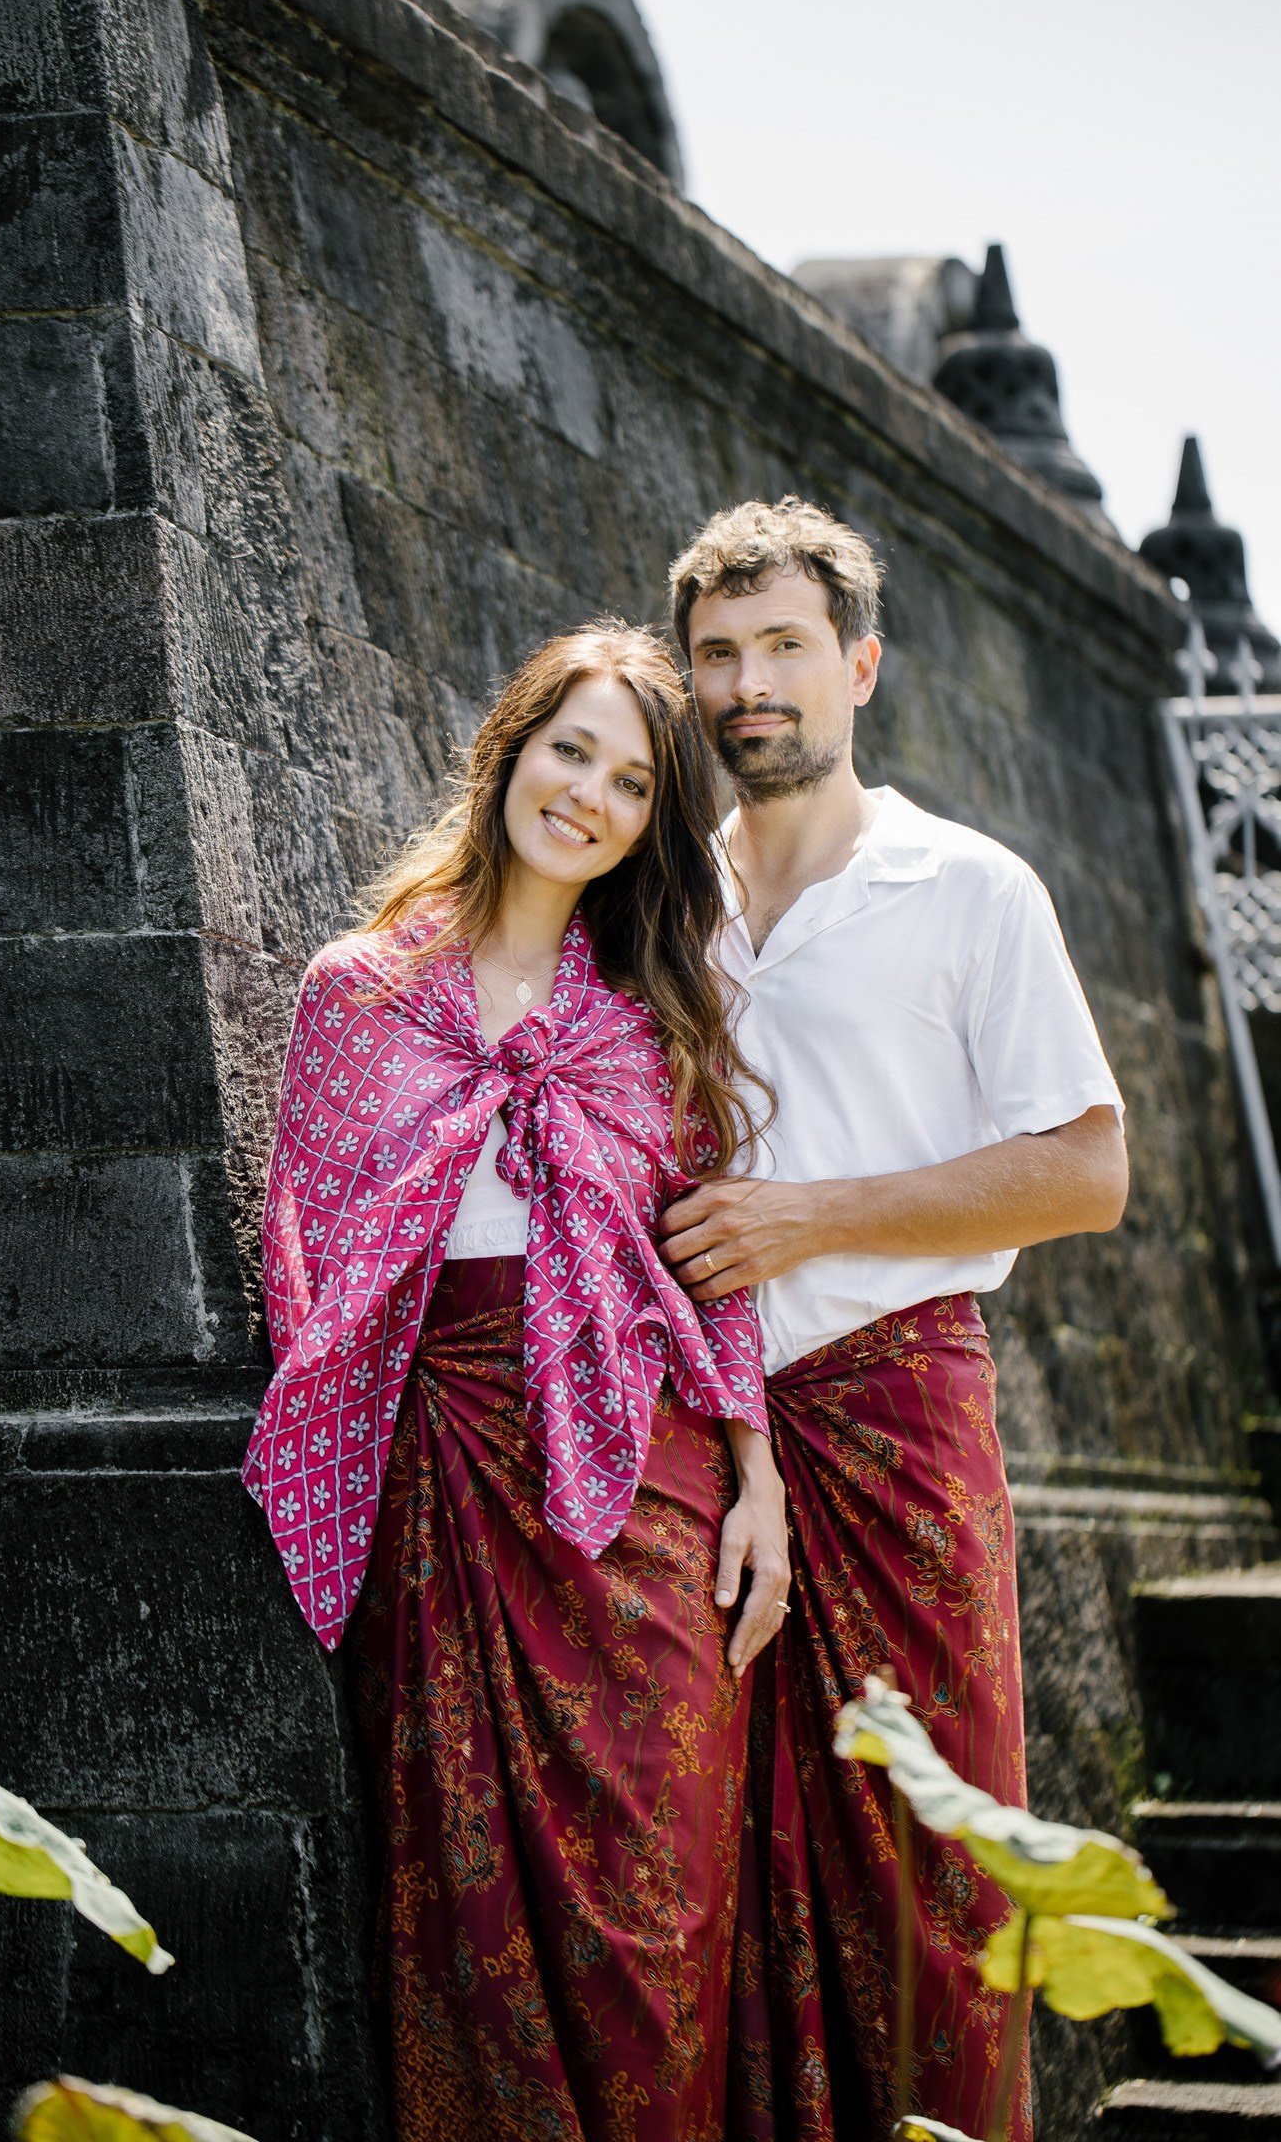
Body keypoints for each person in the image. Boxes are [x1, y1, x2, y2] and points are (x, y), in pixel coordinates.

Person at [244, 619, 793, 2142]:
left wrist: (756, 1482)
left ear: (649, 826)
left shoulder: (652, 1023)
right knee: (463, 1906)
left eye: (631, 783)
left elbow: (712, 1273)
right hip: (442, 1488)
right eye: (571, 752)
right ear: (508, 753)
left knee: (661, 1907)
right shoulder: (356, 995)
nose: (589, 798)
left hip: (648, 1494)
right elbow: (310, 1275)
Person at [657, 499, 1129, 2142]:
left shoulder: (968, 887)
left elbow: (1085, 1170)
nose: (748, 684)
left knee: (932, 1870)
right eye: (717, 654)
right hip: (691, 1439)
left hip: (895, 1422)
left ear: (858, 665)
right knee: (707, 1871)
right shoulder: (652, 898)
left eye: (783, 646)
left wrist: (811, 1216)